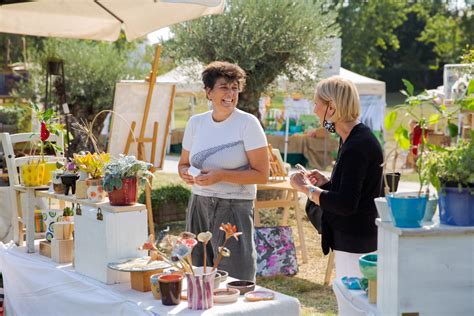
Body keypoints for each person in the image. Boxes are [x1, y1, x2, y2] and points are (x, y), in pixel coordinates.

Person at [178, 61, 269, 281]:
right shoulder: (195, 123)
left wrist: (221, 175)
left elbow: (262, 175)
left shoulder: (248, 123)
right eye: (224, 87)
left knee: (236, 277)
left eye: (234, 88)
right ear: (208, 92)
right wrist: (185, 173)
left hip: (234, 207)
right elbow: (183, 163)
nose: (230, 93)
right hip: (198, 204)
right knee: (197, 272)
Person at [290, 76, 383, 281]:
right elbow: (354, 188)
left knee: (356, 305)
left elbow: (346, 204)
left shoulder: (357, 144)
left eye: (317, 104)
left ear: (331, 107)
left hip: (357, 243)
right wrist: (327, 183)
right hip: (356, 238)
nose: (314, 110)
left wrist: (306, 189)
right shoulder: (353, 138)